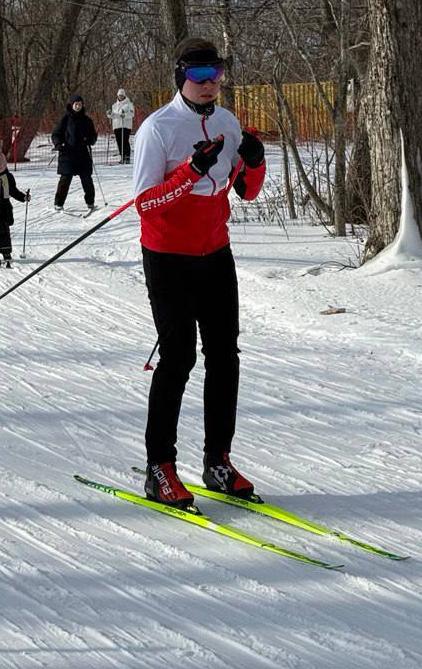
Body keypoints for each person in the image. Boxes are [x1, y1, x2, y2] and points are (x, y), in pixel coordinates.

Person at [132, 37, 267, 508]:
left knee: (225, 356)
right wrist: (189, 171)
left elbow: (245, 193)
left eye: (216, 74)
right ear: (181, 77)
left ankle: (217, 461)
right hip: (168, 255)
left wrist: (255, 163)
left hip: (215, 252)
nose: (209, 84)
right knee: (178, 359)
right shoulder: (158, 129)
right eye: (198, 75)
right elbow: (145, 205)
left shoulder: (228, 124)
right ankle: (159, 469)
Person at [51, 94, 97, 212]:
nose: (78, 106)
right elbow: (56, 134)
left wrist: (89, 140)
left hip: (82, 154)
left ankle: (90, 203)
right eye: (76, 104)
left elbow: (93, 136)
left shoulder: (87, 120)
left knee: (87, 179)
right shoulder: (65, 119)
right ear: (72, 105)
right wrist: (58, 144)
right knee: (65, 179)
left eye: (80, 104)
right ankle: (58, 203)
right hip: (67, 154)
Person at [109, 88, 136, 164]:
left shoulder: (129, 104)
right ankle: (122, 157)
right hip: (117, 125)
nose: (120, 97)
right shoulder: (114, 105)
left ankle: (127, 157)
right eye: (119, 95)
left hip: (125, 125)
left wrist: (125, 115)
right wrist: (110, 115)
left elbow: (132, 114)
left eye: (122, 95)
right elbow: (113, 115)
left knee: (125, 141)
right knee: (119, 142)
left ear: (124, 96)